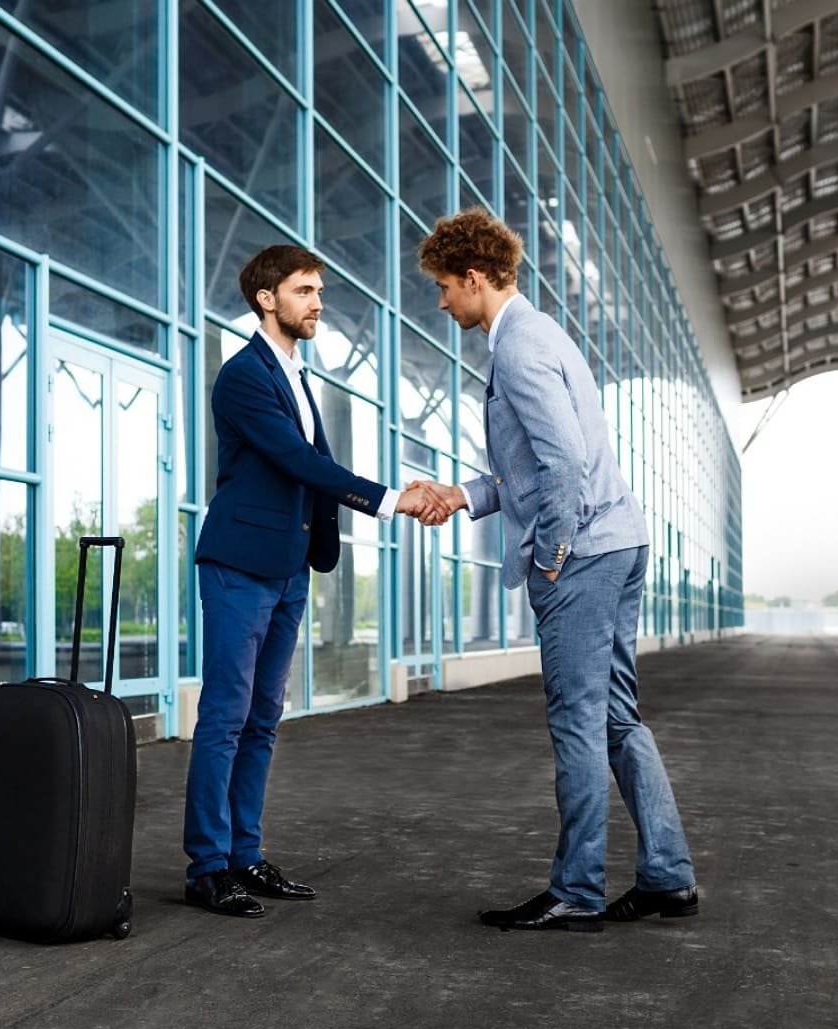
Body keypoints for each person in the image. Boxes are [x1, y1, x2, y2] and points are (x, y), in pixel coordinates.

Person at [414, 209, 697, 932]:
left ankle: (576, 888)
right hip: (619, 542)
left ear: (475, 279)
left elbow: (565, 462)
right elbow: (535, 467)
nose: (441, 301)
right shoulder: (541, 335)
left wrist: (551, 557)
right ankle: (666, 877)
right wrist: (466, 495)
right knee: (615, 718)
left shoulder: (518, 349)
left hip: (586, 555)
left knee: (576, 720)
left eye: (445, 287)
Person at [183, 244, 441, 916]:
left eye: (319, 289)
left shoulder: (296, 375)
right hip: (240, 564)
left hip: (289, 568)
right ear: (267, 299)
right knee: (226, 715)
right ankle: (207, 867)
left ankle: (245, 853)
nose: (317, 302)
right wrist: (392, 499)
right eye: (303, 290)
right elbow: (299, 462)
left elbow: (309, 465)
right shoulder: (242, 376)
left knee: (264, 718)